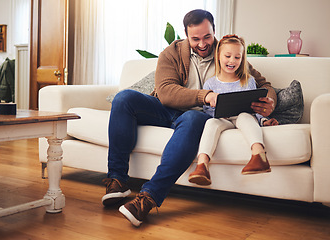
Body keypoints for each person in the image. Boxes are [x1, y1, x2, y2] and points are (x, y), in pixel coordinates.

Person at [102, 9, 277, 227]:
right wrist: (206, 95)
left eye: (207, 37)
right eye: (195, 39)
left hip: (197, 116)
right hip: (166, 108)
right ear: (186, 35)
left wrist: (269, 103)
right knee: (124, 98)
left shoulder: (227, 53)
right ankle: (117, 180)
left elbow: (264, 85)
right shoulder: (172, 53)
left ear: (214, 31)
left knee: (194, 118)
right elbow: (165, 92)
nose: (202, 44)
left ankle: (147, 199)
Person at [188, 35, 279, 186]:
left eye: (237, 57)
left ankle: (259, 155)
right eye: (228, 56)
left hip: (242, 117)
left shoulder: (248, 80)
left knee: (244, 116)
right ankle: (202, 166)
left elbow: (255, 108)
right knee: (211, 124)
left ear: (242, 59)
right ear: (218, 56)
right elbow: (206, 110)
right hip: (222, 119)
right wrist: (214, 106)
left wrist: (263, 120)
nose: (232, 61)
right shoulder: (210, 83)